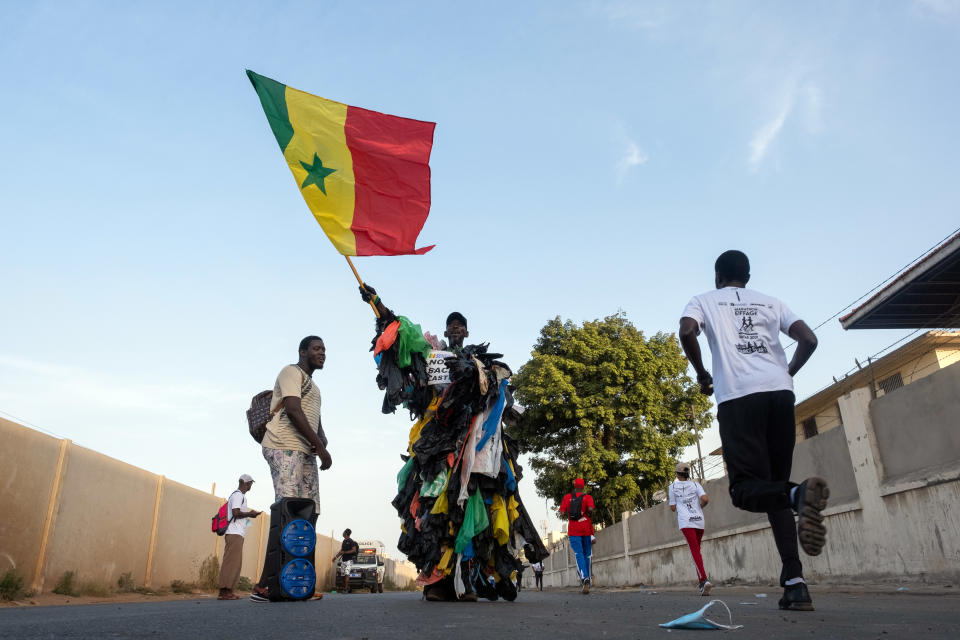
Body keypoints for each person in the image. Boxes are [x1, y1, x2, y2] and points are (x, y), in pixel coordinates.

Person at [358, 284, 549, 603]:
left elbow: (501, 400)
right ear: (448, 331)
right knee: (435, 507)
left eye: (461, 326)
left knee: (471, 510)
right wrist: (377, 305)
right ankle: (439, 582)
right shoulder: (433, 355)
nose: (456, 330)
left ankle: (467, 579)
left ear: (467, 331)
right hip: (437, 442)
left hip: (474, 445)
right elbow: (401, 337)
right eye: (452, 326)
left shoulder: (479, 363)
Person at [678, 249, 828, 612]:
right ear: (747, 275)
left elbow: (686, 331)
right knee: (774, 488)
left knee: (745, 490)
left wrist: (701, 373)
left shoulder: (704, 300)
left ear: (717, 277)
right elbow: (809, 339)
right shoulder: (772, 302)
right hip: (780, 396)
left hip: (739, 399)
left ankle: (798, 496)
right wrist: (787, 372)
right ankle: (795, 583)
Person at [250, 336, 333, 602]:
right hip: (283, 446)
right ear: (303, 352)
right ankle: (265, 585)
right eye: (317, 348)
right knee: (286, 515)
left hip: (305, 451)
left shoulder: (316, 388)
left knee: (309, 513)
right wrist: (320, 447)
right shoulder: (290, 372)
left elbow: (315, 422)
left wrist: (322, 440)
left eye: (324, 349)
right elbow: (294, 410)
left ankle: (301, 584)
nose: (322, 353)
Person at [669, 463, 711, 596]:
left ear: (677, 473)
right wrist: (699, 507)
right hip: (699, 520)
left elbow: (673, 507)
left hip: (686, 522)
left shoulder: (672, 487)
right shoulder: (696, 485)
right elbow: (705, 499)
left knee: (695, 552)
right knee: (697, 551)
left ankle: (704, 580)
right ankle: (702, 583)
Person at [218, 474, 261, 600]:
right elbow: (236, 513)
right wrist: (250, 514)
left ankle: (228, 590)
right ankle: (224, 591)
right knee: (231, 562)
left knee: (234, 562)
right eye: (249, 483)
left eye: (251, 483)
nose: (250, 486)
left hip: (237, 533)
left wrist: (248, 516)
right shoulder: (238, 495)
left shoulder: (238, 496)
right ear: (243, 482)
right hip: (234, 533)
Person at [559, 478, 595, 594]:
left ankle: (584, 577)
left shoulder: (567, 497)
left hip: (573, 529)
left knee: (578, 554)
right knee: (587, 554)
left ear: (575, 486)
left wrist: (570, 514)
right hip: (586, 528)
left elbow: (562, 512)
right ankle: (588, 580)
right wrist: (586, 514)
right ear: (583, 487)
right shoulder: (587, 497)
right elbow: (590, 509)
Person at [333, 528, 359, 593]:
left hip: (349, 561)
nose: (343, 533)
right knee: (342, 575)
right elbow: (341, 551)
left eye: (344, 532)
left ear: (346, 533)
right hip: (343, 560)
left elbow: (354, 550)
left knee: (347, 574)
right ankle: (346, 587)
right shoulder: (344, 541)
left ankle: (346, 589)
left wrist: (345, 552)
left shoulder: (351, 541)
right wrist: (335, 557)